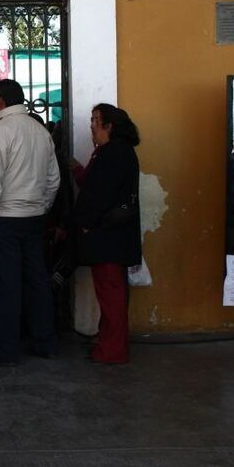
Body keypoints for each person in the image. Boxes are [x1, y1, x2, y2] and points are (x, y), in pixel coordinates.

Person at [0, 80, 60, 366]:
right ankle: (44, 342)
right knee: (37, 282)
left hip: (4, 219)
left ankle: (5, 350)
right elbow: (53, 179)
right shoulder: (40, 131)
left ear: (0, 101)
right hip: (34, 218)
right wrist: (41, 207)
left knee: (5, 286)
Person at [74, 104, 141, 365]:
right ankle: (109, 346)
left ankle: (111, 351)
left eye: (95, 120)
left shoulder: (113, 153)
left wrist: (86, 223)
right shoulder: (115, 151)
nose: (91, 125)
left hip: (108, 238)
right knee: (112, 295)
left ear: (109, 126)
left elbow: (100, 193)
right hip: (113, 237)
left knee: (111, 297)